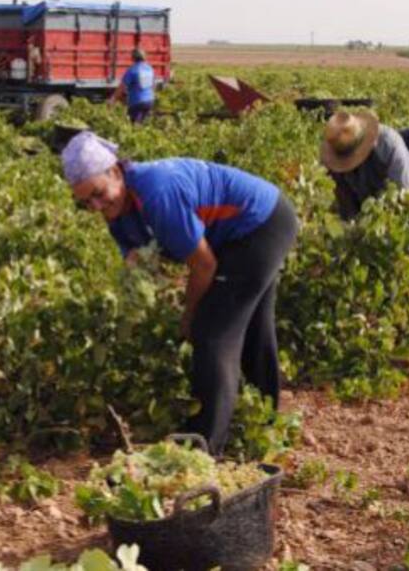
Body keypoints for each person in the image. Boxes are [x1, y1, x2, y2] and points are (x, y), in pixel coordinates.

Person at [61, 132, 299, 456]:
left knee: (212, 333)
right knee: (252, 324)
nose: (97, 205)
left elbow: (204, 265)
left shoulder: (158, 192)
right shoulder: (117, 213)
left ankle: (205, 447)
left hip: (261, 224)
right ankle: (268, 425)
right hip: (235, 234)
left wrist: (188, 315)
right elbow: (140, 259)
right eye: (86, 202)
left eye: (99, 194)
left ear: (116, 171)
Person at [319, 109, 409, 220]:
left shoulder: (388, 146)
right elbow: (346, 205)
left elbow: (405, 197)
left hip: (396, 210)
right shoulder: (335, 154)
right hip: (366, 213)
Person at [110, 48, 155, 124]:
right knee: (142, 123)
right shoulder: (149, 68)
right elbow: (152, 85)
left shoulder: (132, 70)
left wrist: (113, 99)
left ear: (133, 58)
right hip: (149, 101)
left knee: (134, 124)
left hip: (137, 102)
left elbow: (122, 87)